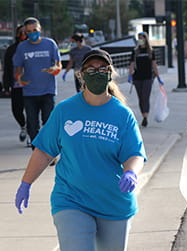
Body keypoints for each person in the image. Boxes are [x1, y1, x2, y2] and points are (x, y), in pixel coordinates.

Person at [15, 49, 146, 251]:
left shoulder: (122, 114)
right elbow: (44, 151)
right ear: (81, 75)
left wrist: (130, 173)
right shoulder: (65, 110)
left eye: (102, 69)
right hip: (71, 199)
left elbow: (134, 153)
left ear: (110, 73)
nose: (97, 73)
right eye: (91, 69)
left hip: (112, 201)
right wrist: (26, 183)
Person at [13, 17, 62, 148]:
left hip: (48, 91)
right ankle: (37, 150)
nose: (32, 33)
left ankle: (50, 149)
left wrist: (55, 69)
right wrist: (19, 78)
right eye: (29, 31)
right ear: (25, 32)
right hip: (29, 92)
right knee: (32, 124)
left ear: (40, 30)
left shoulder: (50, 44)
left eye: (35, 30)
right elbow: (17, 67)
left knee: (49, 122)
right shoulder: (22, 47)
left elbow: (58, 64)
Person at [128, 31, 163, 127]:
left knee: (145, 96)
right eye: (139, 38)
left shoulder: (151, 51)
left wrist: (158, 77)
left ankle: (145, 116)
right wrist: (130, 75)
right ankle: (143, 114)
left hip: (148, 77)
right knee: (140, 97)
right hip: (137, 77)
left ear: (146, 39)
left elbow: (154, 65)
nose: (140, 40)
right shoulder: (135, 52)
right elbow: (131, 64)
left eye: (142, 38)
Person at [2, 24, 28, 143]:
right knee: (16, 110)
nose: (23, 35)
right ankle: (23, 126)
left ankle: (31, 134)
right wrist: (6, 86)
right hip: (16, 85)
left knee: (31, 111)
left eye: (25, 32)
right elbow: (7, 68)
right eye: (20, 32)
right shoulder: (12, 49)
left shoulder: (33, 48)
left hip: (31, 86)